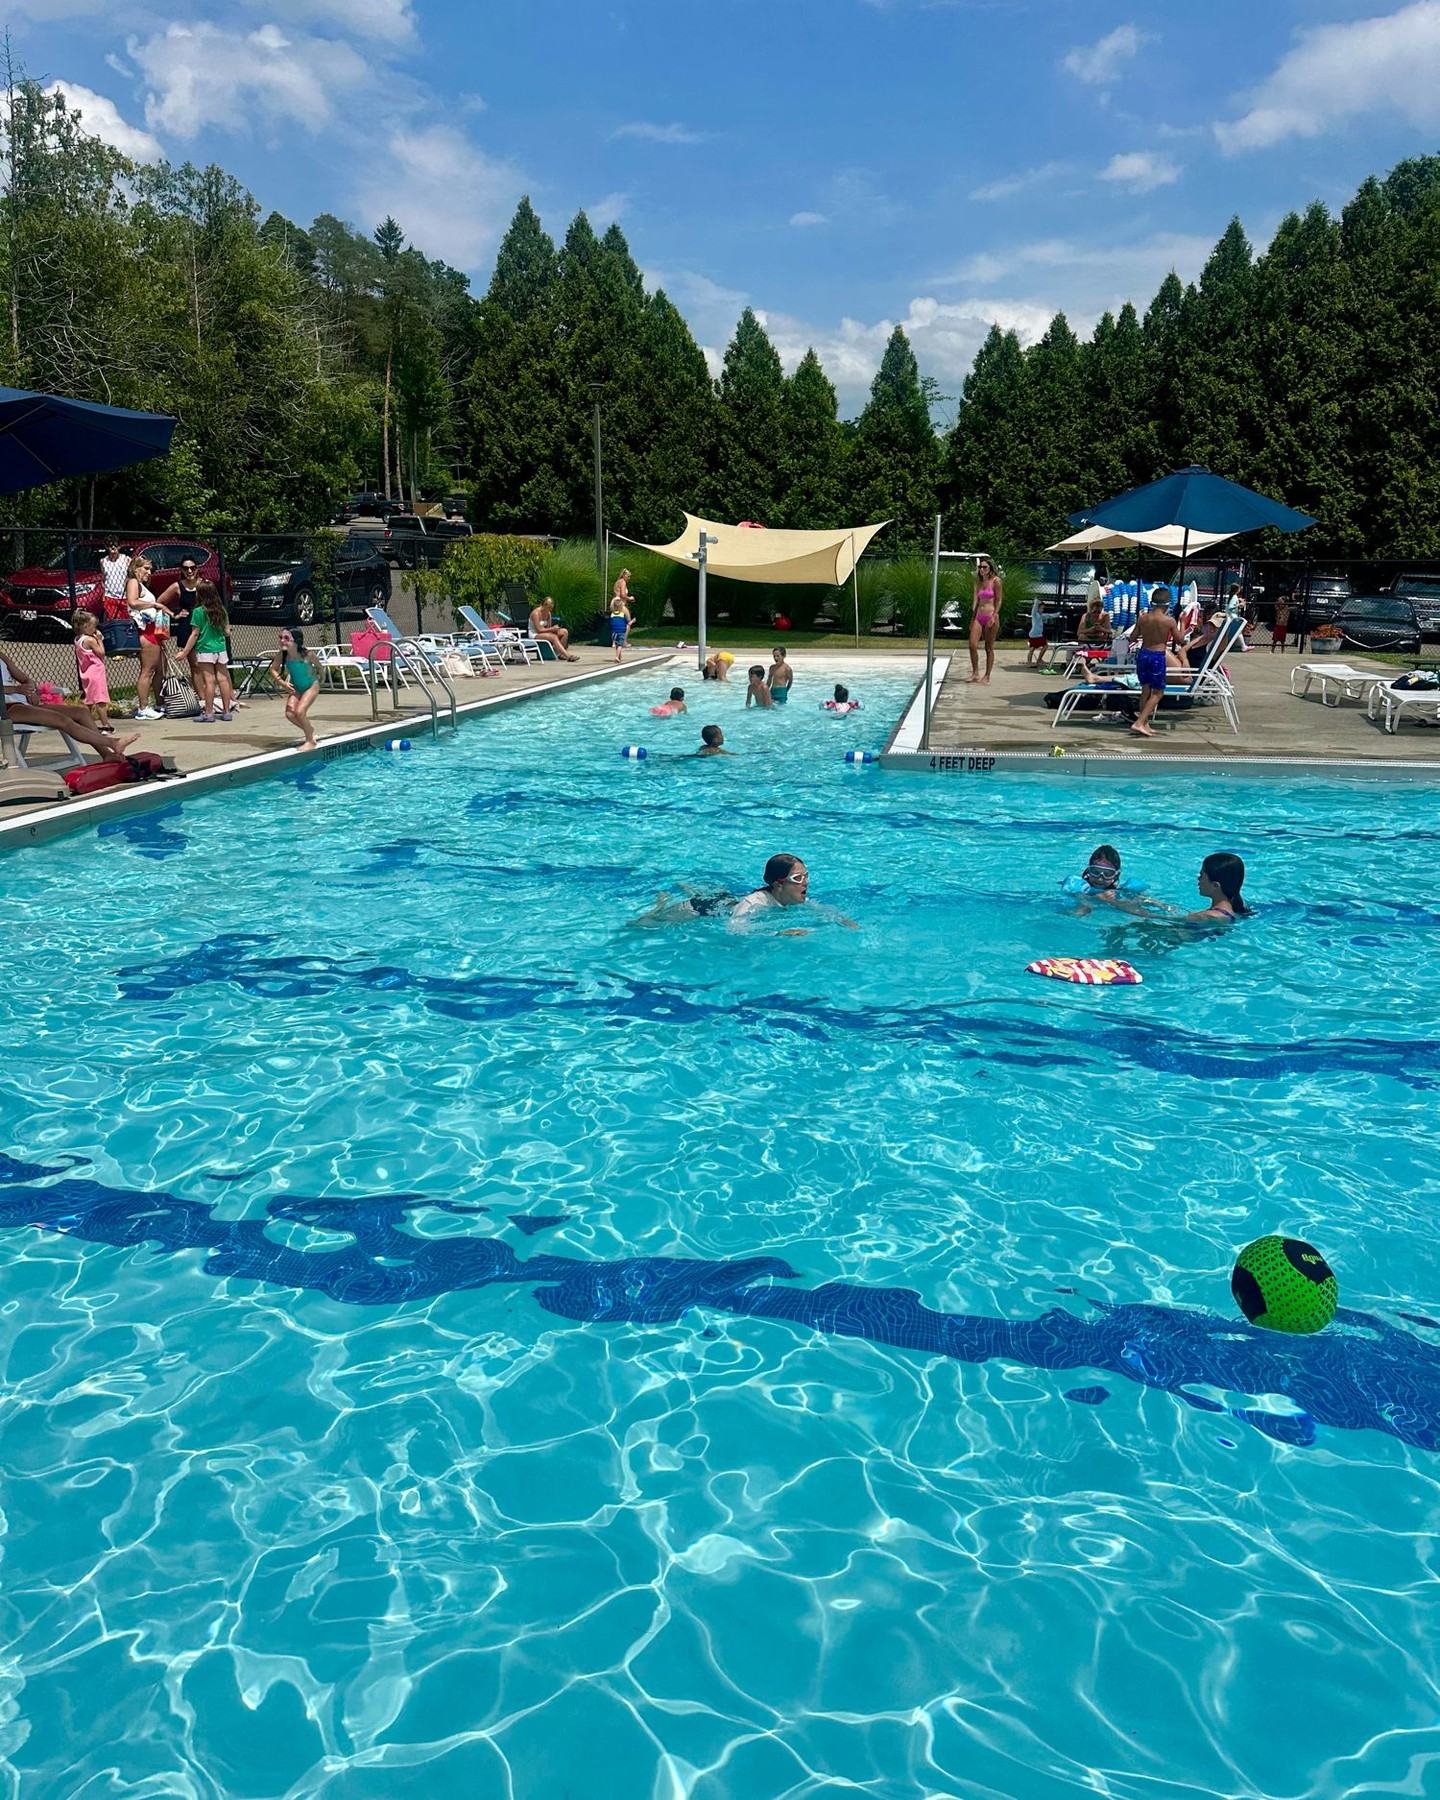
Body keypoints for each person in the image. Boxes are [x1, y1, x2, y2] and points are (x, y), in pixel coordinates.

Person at [0, 650, 137, 758]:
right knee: (62, 720)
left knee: (81, 712)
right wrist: (16, 689)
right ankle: (113, 743)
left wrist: (32, 689)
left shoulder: (2, 656)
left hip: (23, 702)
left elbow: (25, 678)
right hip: (6, 708)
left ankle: (106, 754)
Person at [728, 853, 856, 933]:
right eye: (797, 878)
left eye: (806, 876)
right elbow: (735, 930)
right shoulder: (752, 904)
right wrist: (778, 934)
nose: (805, 883)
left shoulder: (795, 898)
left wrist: (842, 920)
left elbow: (822, 910)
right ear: (778, 885)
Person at [1129, 588, 1183, 738]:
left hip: (1143, 654)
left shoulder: (1143, 618)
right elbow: (1180, 640)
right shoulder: (1169, 621)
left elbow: (1132, 638)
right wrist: (1183, 623)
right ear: (1167, 605)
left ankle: (1144, 724)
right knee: (1158, 692)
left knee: (1145, 690)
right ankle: (1140, 722)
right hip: (1157, 656)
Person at [181, 580, 236, 722]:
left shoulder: (198, 612)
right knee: (223, 679)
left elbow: (195, 634)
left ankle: (209, 713)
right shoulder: (221, 610)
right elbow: (227, 632)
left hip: (205, 649)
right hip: (220, 649)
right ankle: (226, 711)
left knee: (209, 681)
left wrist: (185, 652)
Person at [125, 555, 168, 720]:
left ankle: (160, 703)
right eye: (146, 568)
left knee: (160, 669)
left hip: (153, 631)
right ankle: (143, 708)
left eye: (150, 569)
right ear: (136, 568)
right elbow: (132, 602)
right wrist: (154, 604)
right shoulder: (133, 582)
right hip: (145, 632)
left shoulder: (142, 585)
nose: (149, 573)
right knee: (147, 671)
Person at [154, 554, 203, 685]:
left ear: (197, 568)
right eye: (186, 568)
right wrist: (173, 614)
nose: (189, 571)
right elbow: (159, 602)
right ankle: (202, 695)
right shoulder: (177, 586)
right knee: (195, 665)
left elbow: (215, 603)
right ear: (181, 570)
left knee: (208, 664)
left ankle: (210, 693)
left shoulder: (204, 584)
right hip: (187, 625)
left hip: (203, 624)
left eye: (192, 568)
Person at [269, 627, 320, 748]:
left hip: (311, 686)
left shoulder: (307, 654)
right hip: (297, 688)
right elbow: (273, 669)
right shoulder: (283, 655)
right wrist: (282, 683)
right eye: (280, 637)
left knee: (299, 712)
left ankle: (310, 741)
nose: (282, 640)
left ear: (296, 640)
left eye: (286, 638)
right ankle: (309, 730)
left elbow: (319, 666)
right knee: (290, 714)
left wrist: (322, 678)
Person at [1182, 852, 1252, 923]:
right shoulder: (1240, 908)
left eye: (1201, 875)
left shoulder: (1203, 917)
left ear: (1215, 885)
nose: (1198, 878)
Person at [72, 610, 111, 728]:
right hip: (96, 673)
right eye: (93, 626)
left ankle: (86, 724)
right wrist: (99, 640)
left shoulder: (78, 639)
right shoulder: (90, 640)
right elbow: (101, 653)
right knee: (100, 699)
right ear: (85, 627)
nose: (95, 629)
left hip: (86, 673)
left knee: (89, 699)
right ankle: (105, 725)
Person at [968, 556, 1003, 683]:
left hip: (990, 615)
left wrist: (994, 616)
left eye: (984, 567)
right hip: (979, 616)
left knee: (988, 647)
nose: (982, 569)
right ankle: (975, 673)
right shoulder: (978, 582)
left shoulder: (996, 581)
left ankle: (987, 675)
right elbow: (977, 602)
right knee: (972, 645)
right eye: (980, 567)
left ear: (990, 568)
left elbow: (999, 600)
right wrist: (973, 619)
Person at [529, 597, 578, 662]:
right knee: (554, 637)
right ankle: (567, 656)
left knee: (564, 631)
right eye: (549, 607)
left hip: (543, 632)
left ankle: (560, 654)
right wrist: (552, 629)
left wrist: (554, 629)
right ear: (544, 605)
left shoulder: (548, 613)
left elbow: (548, 627)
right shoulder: (536, 613)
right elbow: (539, 630)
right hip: (535, 633)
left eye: (551, 608)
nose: (550, 609)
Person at [1076, 595, 1113, 661]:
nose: (1096, 614)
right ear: (1090, 610)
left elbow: (1109, 631)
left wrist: (1101, 629)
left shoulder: (1105, 616)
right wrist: (1090, 630)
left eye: (1099, 612)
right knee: (1081, 636)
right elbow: (1079, 632)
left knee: (1107, 636)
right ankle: (1087, 657)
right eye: (1094, 612)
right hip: (1088, 639)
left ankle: (1103, 657)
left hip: (1100, 640)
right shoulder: (1086, 616)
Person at [99, 542, 130, 614]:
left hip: (124, 595)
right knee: (112, 618)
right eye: (110, 545)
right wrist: (103, 593)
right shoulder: (103, 561)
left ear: (119, 546)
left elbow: (131, 576)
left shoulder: (126, 559)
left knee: (126, 617)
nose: (113, 547)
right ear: (107, 547)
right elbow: (103, 578)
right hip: (109, 596)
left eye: (115, 545)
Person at [1024, 593, 1051, 668]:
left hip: (1038, 635)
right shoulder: (1035, 614)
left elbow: (1048, 616)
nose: (1042, 610)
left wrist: (1057, 614)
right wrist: (1036, 602)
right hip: (1034, 635)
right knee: (1033, 648)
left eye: (1043, 608)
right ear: (1038, 608)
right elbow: (1034, 609)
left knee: (1043, 646)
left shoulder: (1041, 615)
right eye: (1041, 608)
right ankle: (1032, 662)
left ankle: (1038, 660)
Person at [608, 587, 633, 662]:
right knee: (620, 645)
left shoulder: (612, 614)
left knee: (617, 644)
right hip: (621, 632)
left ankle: (619, 656)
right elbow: (628, 622)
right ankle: (616, 657)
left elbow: (611, 622)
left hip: (613, 632)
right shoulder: (622, 614)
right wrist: (633, 621)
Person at [1271, 586, 1292, 653]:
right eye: (1279, 603)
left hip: (1283, 626)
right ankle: (1272, 651)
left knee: (1282, 640)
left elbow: (1293, 607)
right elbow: (1275, 605)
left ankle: (1283, 651)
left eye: (1281, 603)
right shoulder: (1278, 609)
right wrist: (1280, 599)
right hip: (1278, 625)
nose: (1280, 604)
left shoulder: (1287, 609)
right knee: (1275, 639)